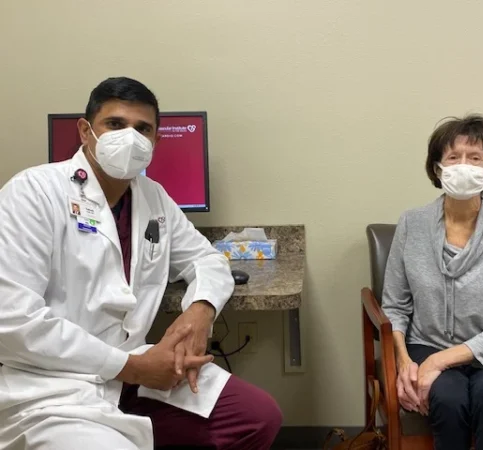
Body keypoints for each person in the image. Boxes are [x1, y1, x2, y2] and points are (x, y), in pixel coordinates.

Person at [0, 77, 282, 450]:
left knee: (257, 416)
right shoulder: (34, 192)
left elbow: (207, 259)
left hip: (136, 371)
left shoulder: (153, 198)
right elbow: (12, 320)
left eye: (143, 129)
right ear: (86, 131)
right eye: (115, 125)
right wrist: (132, 368)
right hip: (54, 387)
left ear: (155, 141)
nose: (130, 137)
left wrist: (200, 310)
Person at [381, 114, 483, 450]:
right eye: (453, 157)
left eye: (475, 157)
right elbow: (395, 304)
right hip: (427, 342)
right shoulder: (411, 224)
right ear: (437, 168)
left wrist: (437, 362)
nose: (464, 165)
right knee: (448, 401)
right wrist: (404, 362)